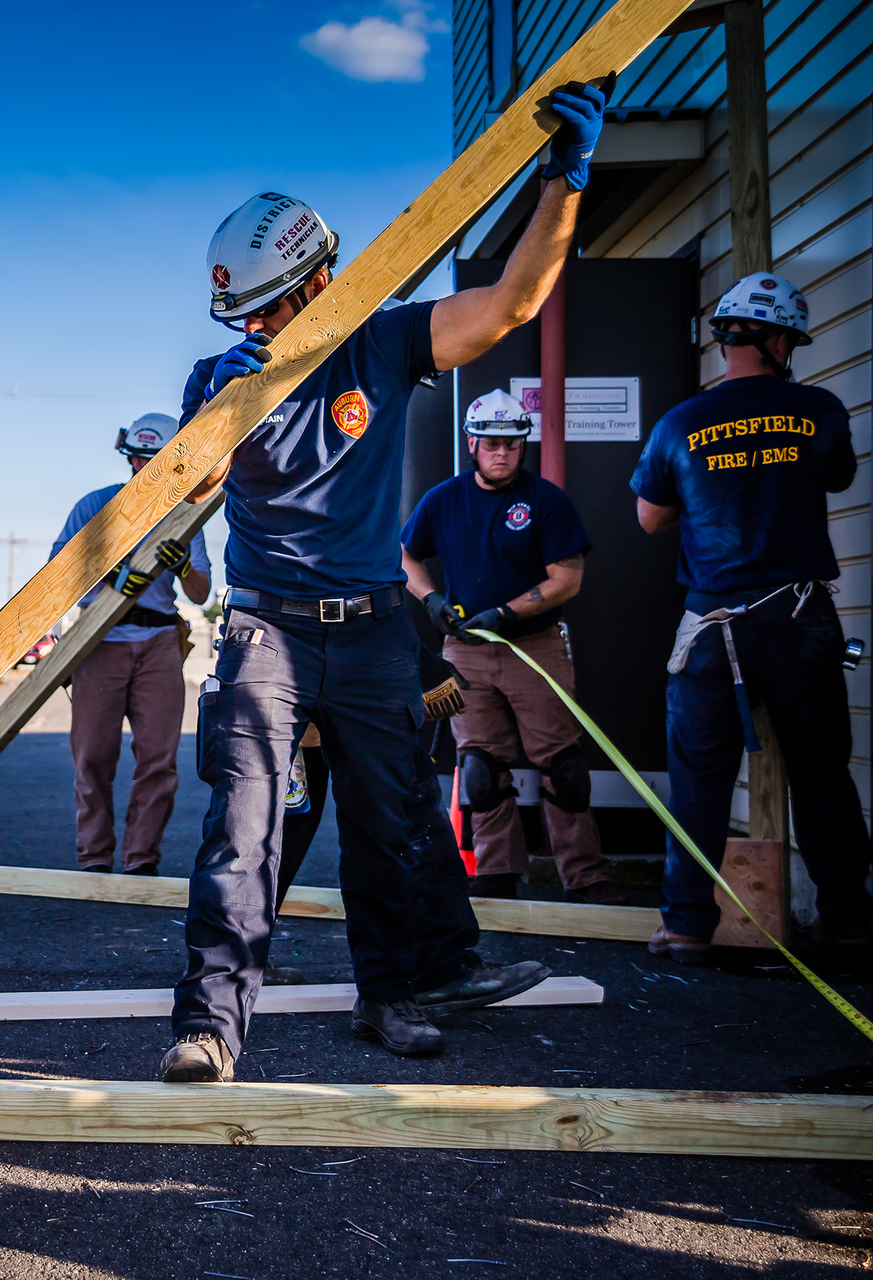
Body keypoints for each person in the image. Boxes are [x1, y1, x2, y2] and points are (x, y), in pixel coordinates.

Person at [158, 78, 608, 1082]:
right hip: (264, 629)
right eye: (244, 313)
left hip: (368, 629)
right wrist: (217, 422)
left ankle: (391, 995)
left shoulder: (387, 339)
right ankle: (210, 1024)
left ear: (319, 282)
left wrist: (562, 183)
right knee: (243, 825)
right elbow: (188, 485)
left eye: (270, 307)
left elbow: (510, 305)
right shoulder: (224, 375)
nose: (257, 326)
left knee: (392, 822)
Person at [632, 271, 870, 963]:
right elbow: (838, 477)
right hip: (800, 617)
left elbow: (649, 518)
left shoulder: (679, 423)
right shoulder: (818, 409)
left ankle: (685, 928)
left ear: (726, 338)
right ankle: (850, 924)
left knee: (700, 783)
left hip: (714, 626)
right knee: (823, 774)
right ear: (776, 340)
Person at [401, 389, 628, 905]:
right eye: (490, 442)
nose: (501, 452)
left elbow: (567, 579)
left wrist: (506, 612)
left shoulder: (546, 501)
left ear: (523, 444)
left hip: (535, 646)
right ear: (471, 443)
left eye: (511, 442)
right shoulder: (443, 499)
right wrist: (432, 599)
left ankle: (585, 875)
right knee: (481, 767)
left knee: (563, 768)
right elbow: (406, 557)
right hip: (466, 652)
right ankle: (498, 871)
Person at [51, 414, 213, 875]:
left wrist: (182, 566)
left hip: (159, 640)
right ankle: (95, 858)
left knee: (159, 761)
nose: (144, 468)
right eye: (137, 458)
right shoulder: (95, 508)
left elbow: (200, 592)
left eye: (152, 459)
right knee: (93, 758)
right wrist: (116, 580)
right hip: (99, 640)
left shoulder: (184, 513)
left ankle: (141, 861)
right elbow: (57, 578)